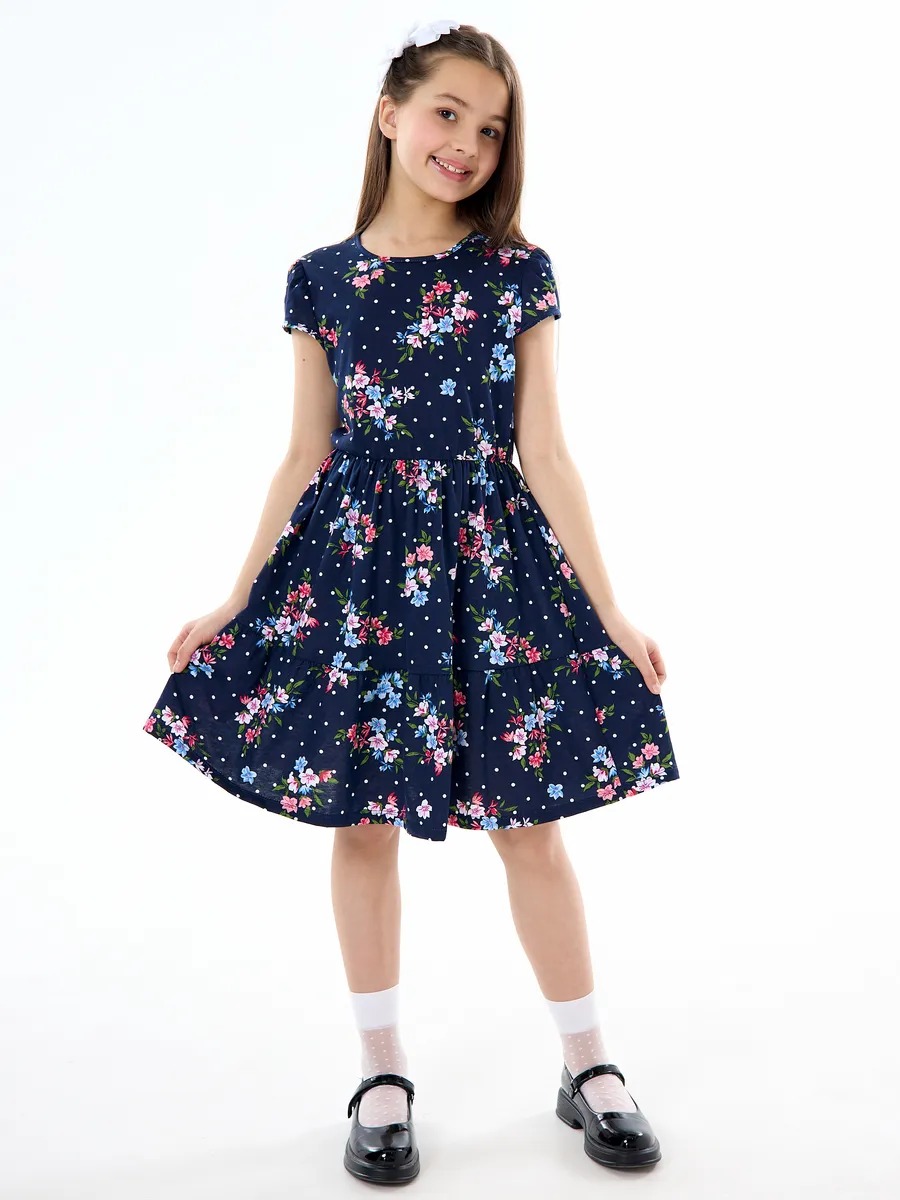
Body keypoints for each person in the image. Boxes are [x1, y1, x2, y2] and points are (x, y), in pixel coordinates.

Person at [142, 16, 681, 1185]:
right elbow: (304, 455)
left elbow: (547, 453)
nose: (467, 144)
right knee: (363, 822)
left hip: (490, 569)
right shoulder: (322, 281)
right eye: (448, 113)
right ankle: (381, 1072)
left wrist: (611, 610)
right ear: (390, 113)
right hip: (360, 575)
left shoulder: (517, 274)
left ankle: (588, 1063)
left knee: (529, 826)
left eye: (491, 129)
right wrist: (236, 597)